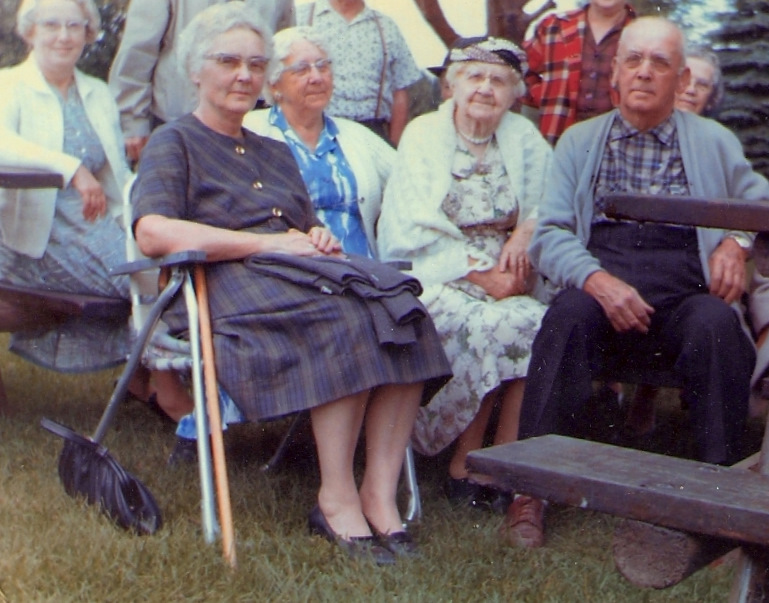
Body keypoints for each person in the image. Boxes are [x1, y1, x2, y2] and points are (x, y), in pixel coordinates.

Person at [131, 3, 451, 564]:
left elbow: (301, 224)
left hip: (295, 275)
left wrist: (316, 235)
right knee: (346, 321)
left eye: (255, 64)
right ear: (195, 71)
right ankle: (336, 500)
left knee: (404, 309)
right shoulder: (174, 141)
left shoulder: (272, 151)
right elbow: (153, 231)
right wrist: (268, 243)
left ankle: (379, 494)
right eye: (228, 61)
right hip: (221, 287)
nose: (244, 75)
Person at [511, 17, 768, 549]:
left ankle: (718, 499)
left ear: (680, 79)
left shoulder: (714, 141)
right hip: (603, 280)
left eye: (660, 63)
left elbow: (758, 205)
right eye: (634, 60)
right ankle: (528, 491)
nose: (645, 73)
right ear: (615, 76)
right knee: (564, 318)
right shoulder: (581, 142)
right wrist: (598, 281)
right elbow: (551, 233)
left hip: (684, 291)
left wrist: (733, 243)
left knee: (718, 324)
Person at [378, 37, 551, 513]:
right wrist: (481, 277)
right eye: (474, 76)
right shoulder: (423, 134)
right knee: (493, 325)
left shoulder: (522, 136)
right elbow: (409, 225)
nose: (485, 88)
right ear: (452, 84)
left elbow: (547, 203)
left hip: (509, 273)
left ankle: (504, 463)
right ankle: (466, 462)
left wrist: (522, 237)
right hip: (435, 272)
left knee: (535, 322)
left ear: (514, 92)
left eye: (498, 80)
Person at [0, 0, 189, 417]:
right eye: (51, 25)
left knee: (159, 263)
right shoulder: (8, 86)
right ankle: (168, 387)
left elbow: (118, 176)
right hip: (32, 238)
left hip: (95, 224)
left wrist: (145, 219)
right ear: (29, 32)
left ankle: (150, 380)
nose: (64, 36)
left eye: (75, 26)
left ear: (88, 34)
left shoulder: (97, 91)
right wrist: (72, 169)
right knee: (142, 279)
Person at [624, 45, 727, 439]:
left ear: (710, 97)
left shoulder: (717, 143)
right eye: (688, 79)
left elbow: (749, 202)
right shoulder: (638, 131)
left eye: (703, 85)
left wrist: (732, 242)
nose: (691, 90)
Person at [243, 26, 393, 259]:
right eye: (301, 69)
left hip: (362, 271)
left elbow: (407, 180)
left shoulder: (356, 135)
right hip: (292, 271)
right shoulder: (249, 130)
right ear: (274, 85)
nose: (317, 77)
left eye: (323, 66)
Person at [108, 0, 295, 164]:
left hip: (249, 123)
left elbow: (284, 46)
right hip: (177, 117)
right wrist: (133, 120)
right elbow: (138, 50)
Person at [296, 0, 422, 146]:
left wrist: (393, 147)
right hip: (315, 131)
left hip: (372, 135)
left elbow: (399, 93)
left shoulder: (386, 27)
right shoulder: (301, 18)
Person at [524, 0, 635, 146]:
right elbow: (524, 73)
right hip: (558, 142)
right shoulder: (553, 26)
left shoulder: (645, 35)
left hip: (618, 149)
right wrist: (546, 97)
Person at [675, 46, 724, 116]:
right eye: (683, 79)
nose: (691, 90)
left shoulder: (714, 127)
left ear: (712, 99)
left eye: (702, 85)